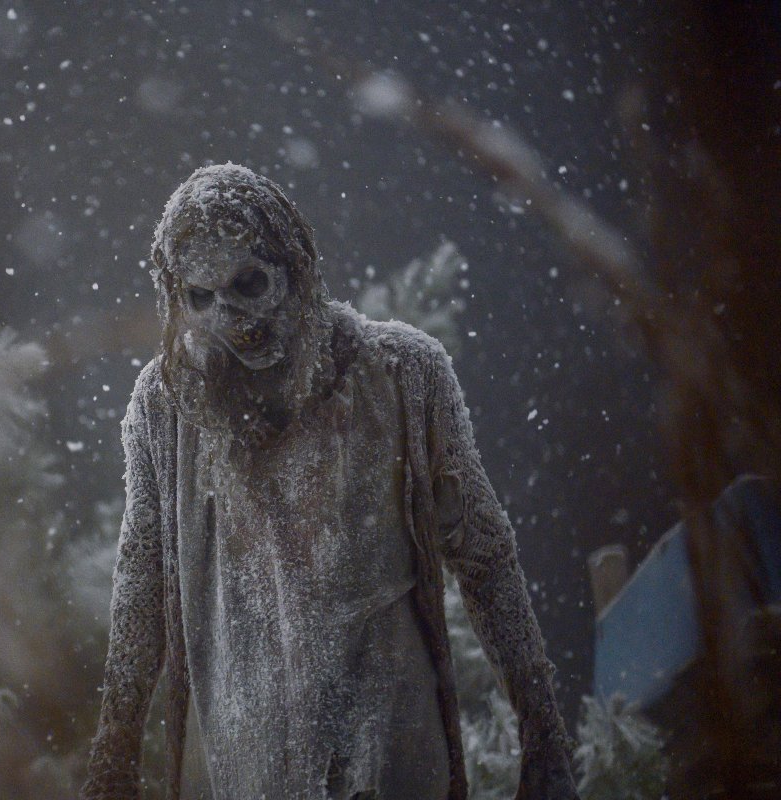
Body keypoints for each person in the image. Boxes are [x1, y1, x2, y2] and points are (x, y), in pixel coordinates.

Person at [82, 163, 577, 800]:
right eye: (201, 297)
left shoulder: (403, 377)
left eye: (249, 284)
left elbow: (485, 556)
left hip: (388, 759)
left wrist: (543, 734)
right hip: (242, 769)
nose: (229, 317)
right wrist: (114, 754)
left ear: (294, 267)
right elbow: (142, 579)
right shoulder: (167, 407)